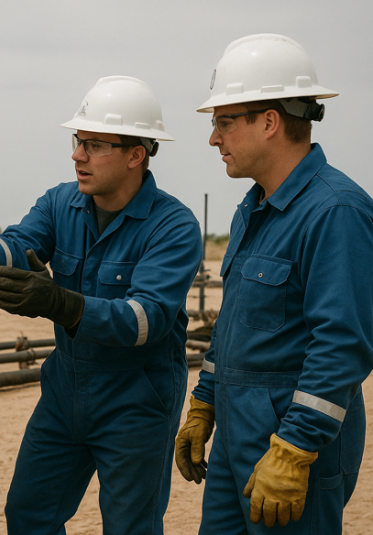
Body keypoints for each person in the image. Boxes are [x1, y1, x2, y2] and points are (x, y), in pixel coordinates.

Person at [0, 75, 203, 534]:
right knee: (29, 516)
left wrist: (62, 303)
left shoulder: (172, 227)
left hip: (137, 399)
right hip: (64, 393)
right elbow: (17, 248)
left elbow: (146, 320)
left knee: (129, 527)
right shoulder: (62, 203)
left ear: (137, 154)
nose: (78, 155)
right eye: (79, 141)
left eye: (95, 144)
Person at [175, 33, 373, 532]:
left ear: (269, 122)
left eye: (223, 122)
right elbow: (236, 325)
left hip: (293, 442)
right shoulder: (255, 207)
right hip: (235, 434)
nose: (213, 138)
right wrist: (204, 401)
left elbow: (344, 344)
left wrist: (296, 446)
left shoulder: (336, 212)